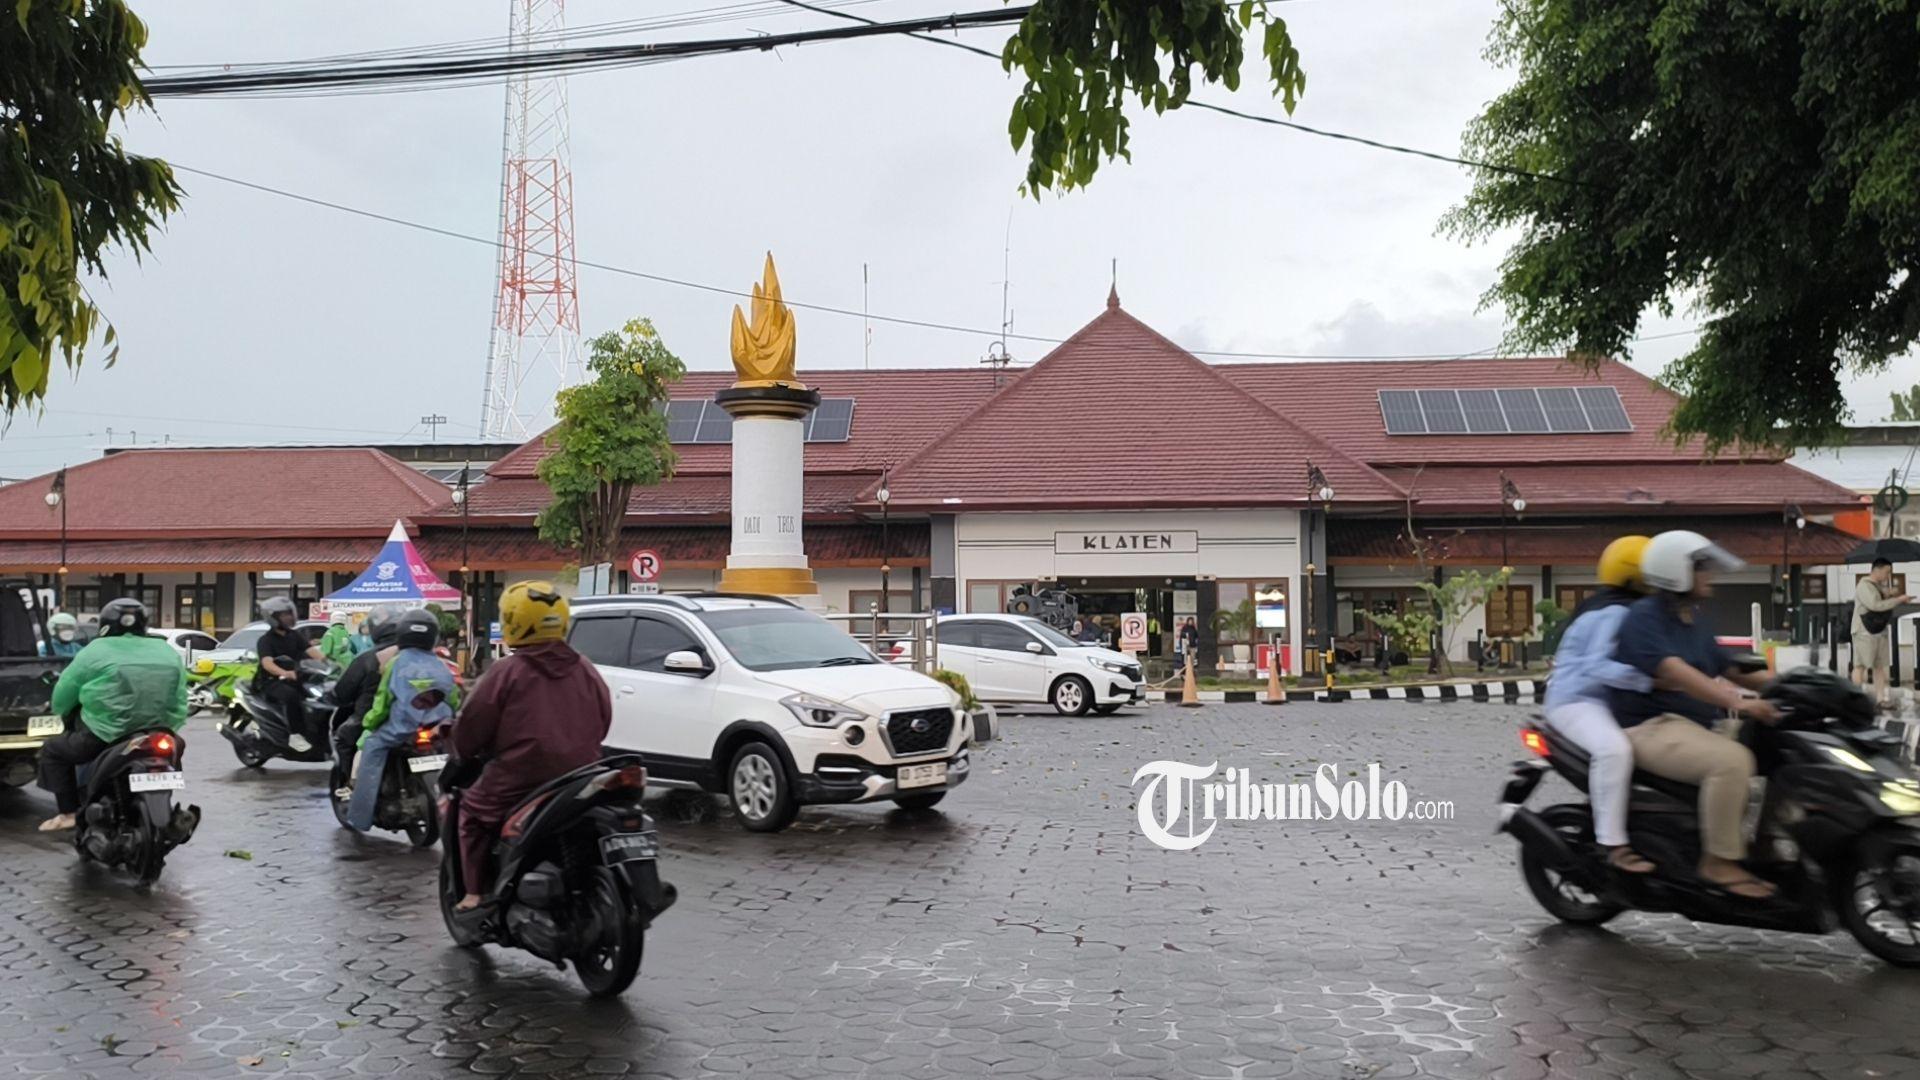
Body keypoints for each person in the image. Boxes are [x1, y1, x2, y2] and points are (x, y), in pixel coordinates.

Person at [1611, 530, 1780, 899]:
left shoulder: (1695, 619)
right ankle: (1718, 861)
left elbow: (1732, 668)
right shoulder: (1644, 617)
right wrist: (1738, 702)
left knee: (1782, 750)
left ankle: (1766, 848)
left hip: (1694, 725)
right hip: (1650, 726)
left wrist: (1792, 686)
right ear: (1676, 571)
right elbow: (1675, 671)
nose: (1710, 574)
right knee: (1732, 762)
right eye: (1701, 567)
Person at [449, 581, 610, 911]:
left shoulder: (507, 672)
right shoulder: (584, 667)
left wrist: (463, 751)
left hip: (519, 776)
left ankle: (475, 894)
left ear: (512, 621)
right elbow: (604, 718)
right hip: (583, 773)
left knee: (472, 815)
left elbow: (472, 725)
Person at [1541, 536, 1657, 873]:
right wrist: (1651, 680)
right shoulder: (1614, 612)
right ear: (1636, 576)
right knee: (1614, 750)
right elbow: (1597, 666)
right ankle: (1613, 845)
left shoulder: (1620, 606)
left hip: (1605, 702)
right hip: (1576, 702)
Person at [34, 598, 188, 832]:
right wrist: (171, 725)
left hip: (106, 734)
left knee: (53, 751)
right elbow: (180, 697)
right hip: (160, 732)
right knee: (176, 751)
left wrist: (60, 711)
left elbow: (64, 695)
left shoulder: (94, 650)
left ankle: (68, 814)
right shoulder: (165, 650)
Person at [346, 609, 459, 832]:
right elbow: (454, 697)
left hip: (402, 727)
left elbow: (383, 701)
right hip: (438, 726)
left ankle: (359, 817)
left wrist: (370, 723)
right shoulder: (442, 664)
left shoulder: (395, 664)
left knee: (372, 746)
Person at [330, 608, 402, 787]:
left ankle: (347, 786)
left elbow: (342, 692)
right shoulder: (419, 656)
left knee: (343, 738)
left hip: (373, 716)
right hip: (416, 716)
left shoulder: (368, 659)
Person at [253, 596, 325, 750]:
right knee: (292, 697)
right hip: (272, 682)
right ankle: (295, 734)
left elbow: (312, 652)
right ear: (273, 618)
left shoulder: (295, 636)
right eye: (284, 615)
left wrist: (331, 663)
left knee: (320, 696)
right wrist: (284, 673)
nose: (289, 617)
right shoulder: (266, 640)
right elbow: (267, 663)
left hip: (296, 679)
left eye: (289, 613)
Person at [1851, 558, 1911, 711]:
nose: (1888, 575)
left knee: (1880, 666)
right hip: (1865, 631)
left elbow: (1881, 602)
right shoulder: (1864, 586)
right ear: (1876, 569)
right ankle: (1854, 700)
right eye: (1886, 572)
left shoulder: (1877, 587)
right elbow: (1875, 605)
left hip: (1879, 630)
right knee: (1860, 665)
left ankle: (1881, 699)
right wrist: (1897, 600)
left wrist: (1890, 595)